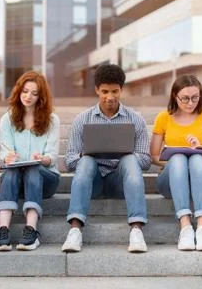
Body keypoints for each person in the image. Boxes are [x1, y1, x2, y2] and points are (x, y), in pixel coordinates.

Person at [61, 64, 151, 253]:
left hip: (121, 182)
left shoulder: (136, 120)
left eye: (115, 91)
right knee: (85, 161)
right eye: (104, 91)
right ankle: (75, 230)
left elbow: (145, 160)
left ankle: (136, 230)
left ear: (122, 90)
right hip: (93, 183)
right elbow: (69, 162)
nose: (110, 97)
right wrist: (86, 155)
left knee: (130, 160)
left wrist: (126, 153)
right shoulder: (82, 120)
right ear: (96, 90)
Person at [150, 75, 202, 251]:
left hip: (201, 178)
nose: (190, 103)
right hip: (170, 180)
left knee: (197, 157)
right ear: (175, 96)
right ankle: (186, 226)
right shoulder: (163, 117)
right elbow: (153, 156)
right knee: (178, 158)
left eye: (195, 97)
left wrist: (200, 148)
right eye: (185, 98)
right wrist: (173, 162)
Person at [0, 71, 60, 251]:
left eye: (34, 93)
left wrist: (42, 159)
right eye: (25, 91)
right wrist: (7, 157)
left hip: (46, 179)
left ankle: (31, 230)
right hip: (16, 180)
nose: (28, 96)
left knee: (33, 169)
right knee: (11, 170)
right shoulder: (7, 119)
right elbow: (3, 155)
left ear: (41, 97)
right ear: (18, 91)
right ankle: (3, 231)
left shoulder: (52, 120)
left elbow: (52, 157)